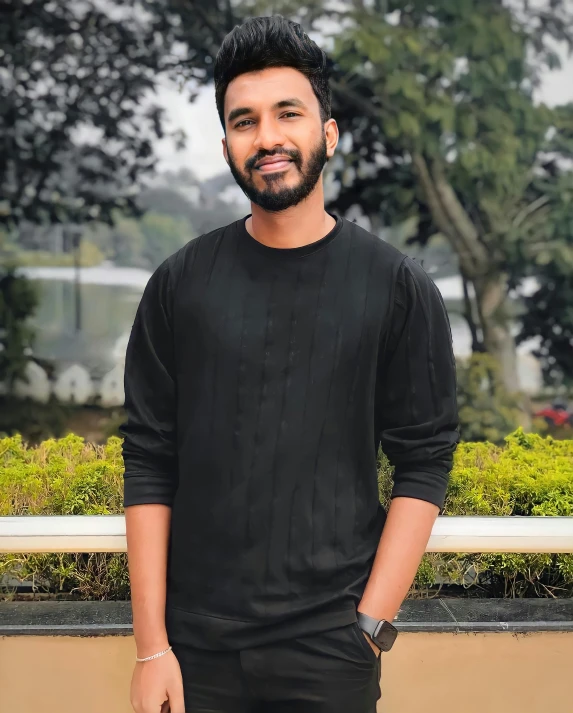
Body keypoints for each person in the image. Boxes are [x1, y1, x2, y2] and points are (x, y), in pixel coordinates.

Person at [120, 14, 460, 713]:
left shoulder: (396, 287)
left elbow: (424, 458)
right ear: (226, 145)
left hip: (330, 650)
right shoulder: (180, 284)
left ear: (326, 133)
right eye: (244, 121)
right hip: (194, 652)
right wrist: (151, 646)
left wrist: (368, 624)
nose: (267, 136)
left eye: (288, 113)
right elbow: (149, 458)